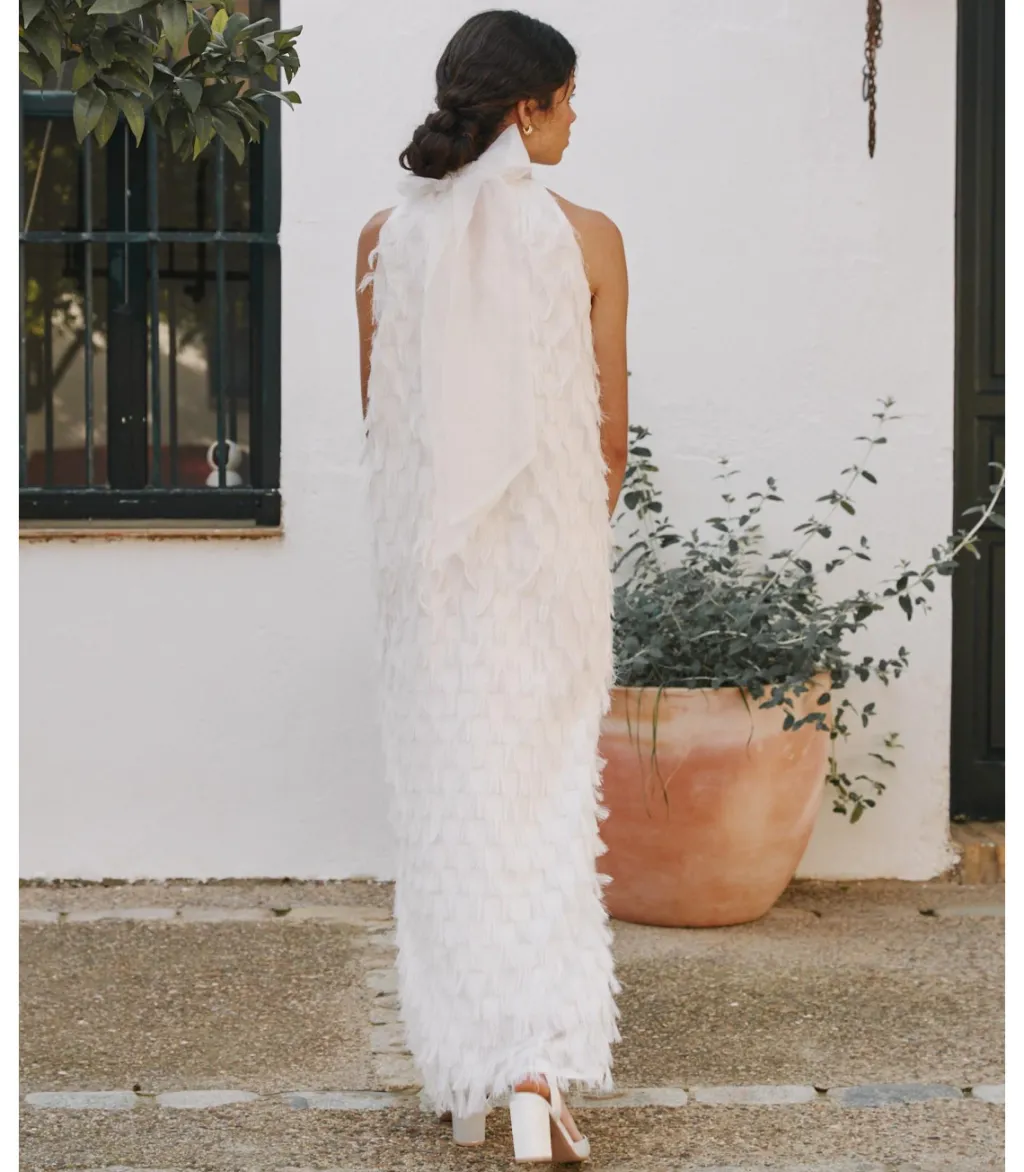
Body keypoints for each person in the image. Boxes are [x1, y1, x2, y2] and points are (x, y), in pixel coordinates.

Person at [355, 9, 629, 1164]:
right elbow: (607, 439)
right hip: (548, 577)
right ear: (528, 107)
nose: (576, 117)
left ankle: (470, 1066)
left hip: (431, 585)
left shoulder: (383, 238)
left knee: (453, 813)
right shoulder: (590, 239)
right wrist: (557, 539)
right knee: (543, 807)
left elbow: (383, 426)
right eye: (567, 98)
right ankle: (534, 1071)